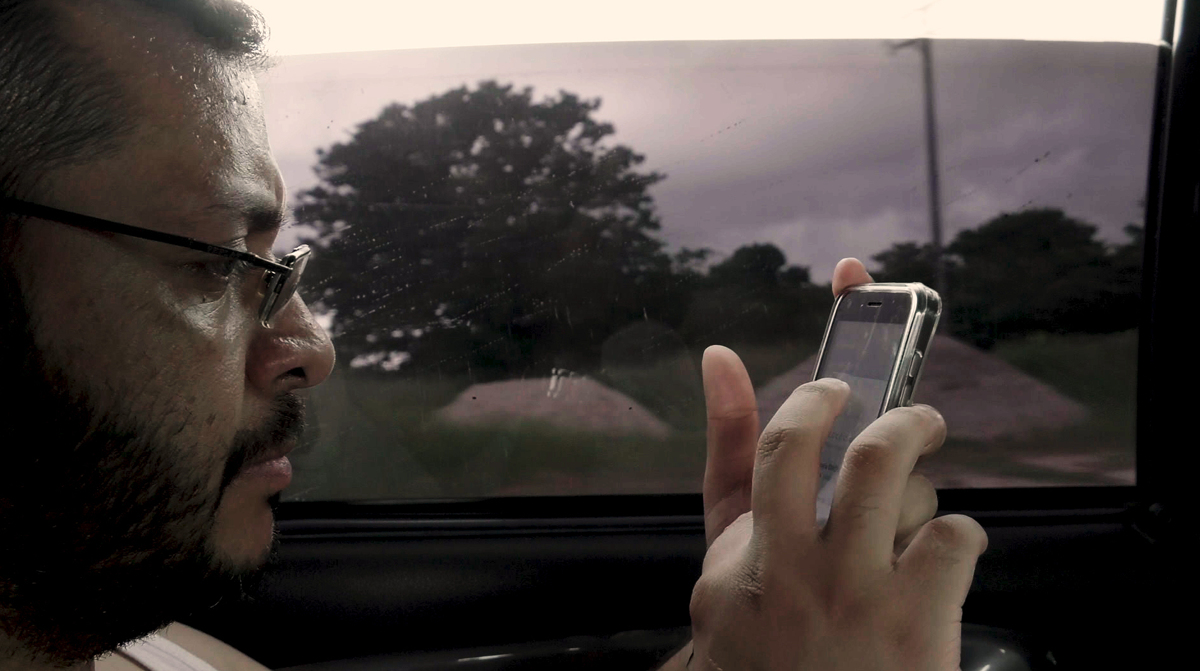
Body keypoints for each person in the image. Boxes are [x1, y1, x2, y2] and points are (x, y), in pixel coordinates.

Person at [0, 2, 988, 670]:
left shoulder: (135, 644)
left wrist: (736, 650)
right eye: (222, 261)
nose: (312, 348)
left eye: (279, 269)